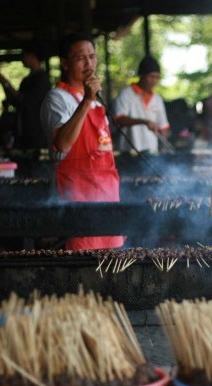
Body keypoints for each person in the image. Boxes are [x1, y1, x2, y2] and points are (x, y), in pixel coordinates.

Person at [40, 32, 123, 250]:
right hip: (77, 198)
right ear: (65, 64)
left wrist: (90, 99)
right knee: (82, 271)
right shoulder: (57, 98)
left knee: (114, 267)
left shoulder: (97, 103)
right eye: (80, 58)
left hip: (107, 196)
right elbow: (62, 145)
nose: (89, 63)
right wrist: (87, 100)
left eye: (92, 56)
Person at [0, 38, 51, 150]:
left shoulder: (41, 79)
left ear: (32, 56)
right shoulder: (27, 80)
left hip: (36, 132)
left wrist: (6, 83)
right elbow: (16, 102)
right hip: (24, 132)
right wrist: (4, 84)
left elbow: (25, 101)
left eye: (24, 55)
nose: (22, 58)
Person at [113, 55, 170, 154]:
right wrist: (144, 122)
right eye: (151, 76)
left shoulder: (157, 99)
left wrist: (163, 146)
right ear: (141, 75)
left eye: (157, 77)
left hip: (152, 150)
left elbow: (163, 126)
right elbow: (119, 120)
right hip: (129, 151)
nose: (154, 81)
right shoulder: (126, 94)